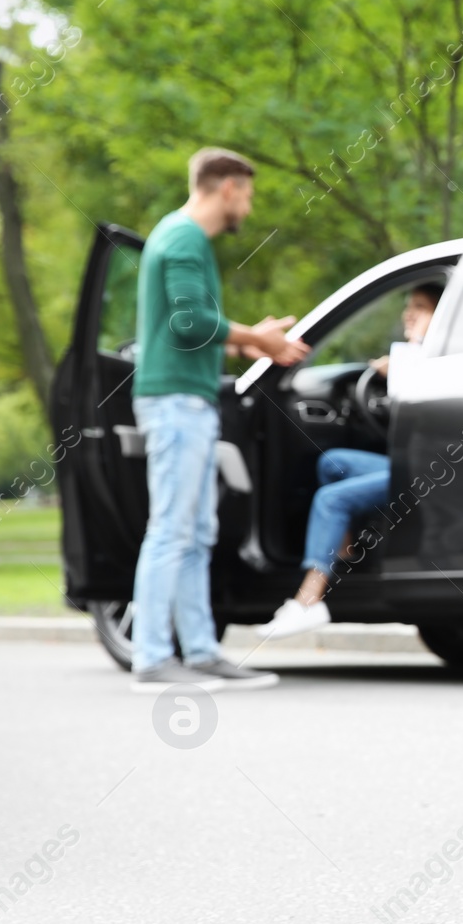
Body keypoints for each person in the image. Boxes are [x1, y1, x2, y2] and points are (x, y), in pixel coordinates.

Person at [129, 148, 310, 693]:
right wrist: (257, 337)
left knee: (196, 532)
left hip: (188, 398)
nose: (249, 209)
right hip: (176, 404)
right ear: (227, 188)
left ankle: (201, 652)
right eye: (248, 196)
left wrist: (244, 347)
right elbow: (188, 322)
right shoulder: (184, 237)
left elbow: (187, 330)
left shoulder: (177, 236)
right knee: (171, 530)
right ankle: (153, 658)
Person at [257, 282, 442, 640]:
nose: (409, 314)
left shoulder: (436, 359)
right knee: (333, 462)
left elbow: (422, 396)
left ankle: (309, 600)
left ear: (442, 318)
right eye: (409, 306)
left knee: (331, 500)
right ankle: (343, 549)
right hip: (408, 464)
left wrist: (405, 360)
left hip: (427, 471)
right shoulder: (413, 357)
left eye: (420, 307)